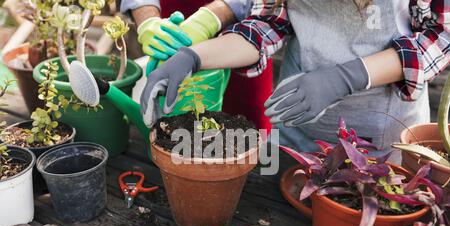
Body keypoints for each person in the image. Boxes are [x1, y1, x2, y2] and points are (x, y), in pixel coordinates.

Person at [140, 0, 450, 162]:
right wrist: (194, 56)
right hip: (298, 132)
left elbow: (442, 36)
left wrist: (349, 76)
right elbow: (265, 23)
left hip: (380, 140)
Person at [120, 0, 273, 130]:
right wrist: (148, 20)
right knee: (172, 130)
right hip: (172, 29)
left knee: (248, 136)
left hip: (243, 41)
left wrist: (210, 18)